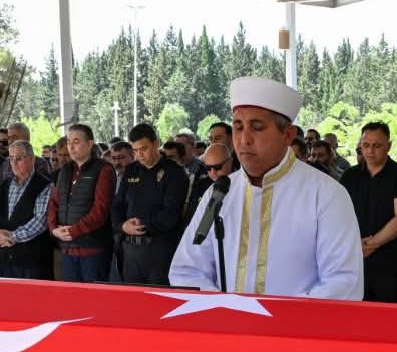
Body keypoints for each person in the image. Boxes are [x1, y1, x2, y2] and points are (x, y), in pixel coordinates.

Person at [171, 77, 363, 299]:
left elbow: (343, 280)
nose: (244, 140)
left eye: (257, 127)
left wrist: (276, 322)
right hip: (228, 328)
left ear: (288, 135)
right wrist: (224, 312)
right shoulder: (220, 193)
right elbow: (187, 269)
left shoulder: (326, 195)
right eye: (238, 127)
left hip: (293, 331)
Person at [341, 122, 397, 303]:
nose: (370, 151)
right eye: (365, 145)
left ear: (388, 146)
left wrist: (370, 245)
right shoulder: (350, 176)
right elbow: (339, 216)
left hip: (391, 264)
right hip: (355, 263)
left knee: (392, 322)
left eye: (377, 146)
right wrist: (354, 246)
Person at [113, 123, 189, 286]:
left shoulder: (174, 172)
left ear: (156, 143)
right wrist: (122, 225)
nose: (140, 155)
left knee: (158, 303)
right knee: (132, 303)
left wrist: (141, 225)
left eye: (144, 149)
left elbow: (170, 214)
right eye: (135, 150)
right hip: (131, 250)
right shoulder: (131, 170)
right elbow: (118, 205)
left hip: (159, 250)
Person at [48, 124, 115, 283]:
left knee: (95, 302)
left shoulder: (104, 169)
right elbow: (54, 203)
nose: (71, 146)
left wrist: (74, 231)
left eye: (76, 141)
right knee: (72, 302)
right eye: (69, 141)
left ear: (90, 144)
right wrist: (53, 229)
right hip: (67, 248)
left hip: (92, 249)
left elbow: (100, 212)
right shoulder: (64, 170)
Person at [0, 141, 54, 280]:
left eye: (19, 158)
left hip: (32, 261)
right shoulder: (4, 185)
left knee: (33, 300)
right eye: (11, 158)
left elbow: (40, 221)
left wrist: (12, 237)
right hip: (3, 259)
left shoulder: (45, 186)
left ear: (32, 159)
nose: (14, 162)